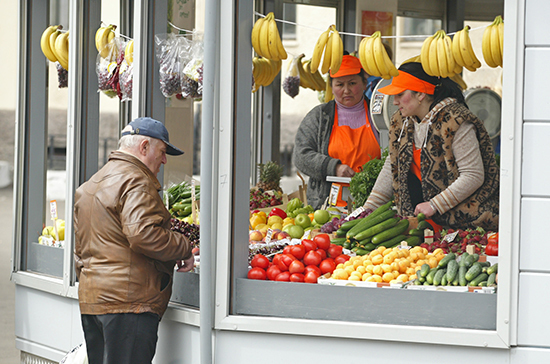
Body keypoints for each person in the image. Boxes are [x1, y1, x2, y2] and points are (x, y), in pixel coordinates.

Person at [74, 117, 195, 364]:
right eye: (162, 152)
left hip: (94, 301)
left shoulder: (91, 184)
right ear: (144, 147)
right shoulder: (136, 180)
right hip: (129, 305)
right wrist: (184, 246)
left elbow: (80, 251)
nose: (163, 160)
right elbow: (143, 235)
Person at [363, 62, 499, 230]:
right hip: (421, 225)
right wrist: (366, 211)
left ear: (420, 94)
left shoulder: (456, 120)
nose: (395, 102)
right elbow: (392, 166)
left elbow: (473, 175)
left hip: (467, 225)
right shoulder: (401, 121)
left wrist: (435, 204)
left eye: (399, 94)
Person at [293, 54, 382, 210]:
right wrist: (333, 167)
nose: (346, 90)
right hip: (326, 207)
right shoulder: (319, 117)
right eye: (340, 85)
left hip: (372, 206)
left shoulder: (379, 116)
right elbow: (301, 156)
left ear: (364, 83)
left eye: (352, 83)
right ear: (332, 87)